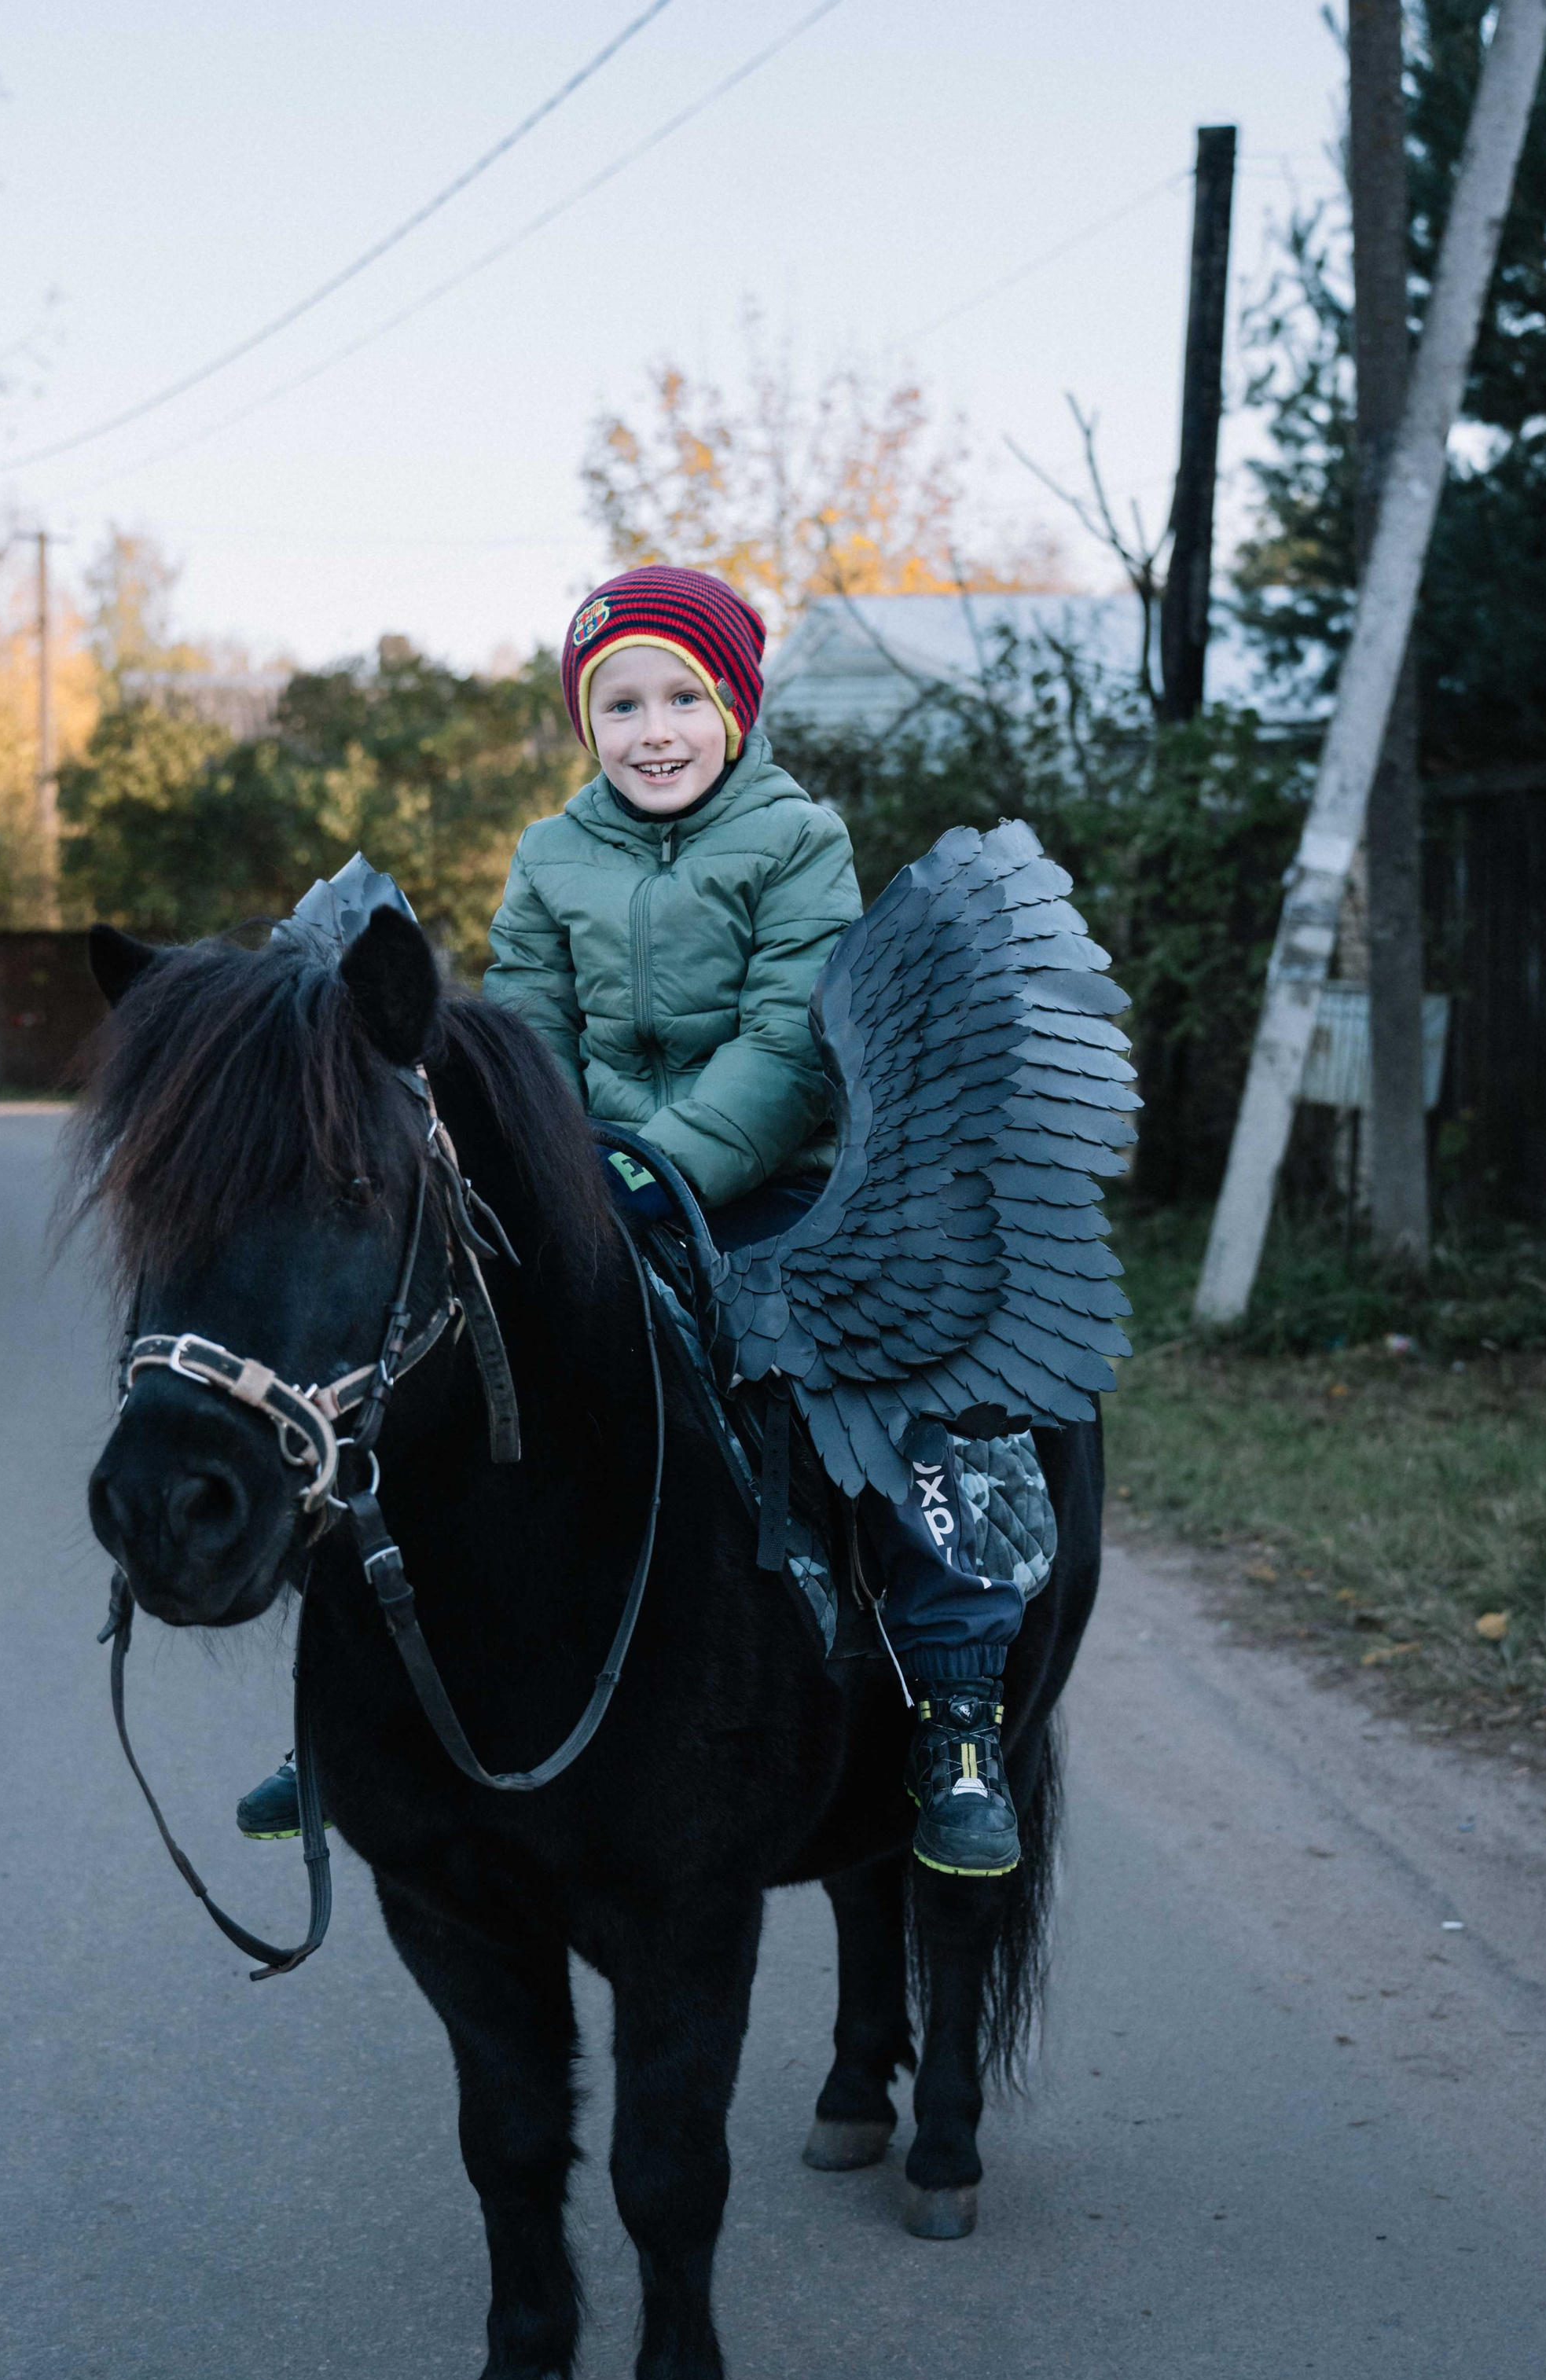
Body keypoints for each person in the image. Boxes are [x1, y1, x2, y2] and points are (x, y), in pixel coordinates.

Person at [238, 564, 1026, 1874]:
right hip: (583, 1182)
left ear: (735, 705)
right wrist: (540, 1160)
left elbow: (790, 1043)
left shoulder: (797, 839)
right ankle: (343, 1706)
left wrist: (649, 1165)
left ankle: (956, 1706)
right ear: (585, 725)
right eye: (619, 706)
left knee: (907, 1383)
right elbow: (521, 1032)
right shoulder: (550, 854)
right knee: (409, 1370)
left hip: (768, 1181)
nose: (653, 731)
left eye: (683, 697)